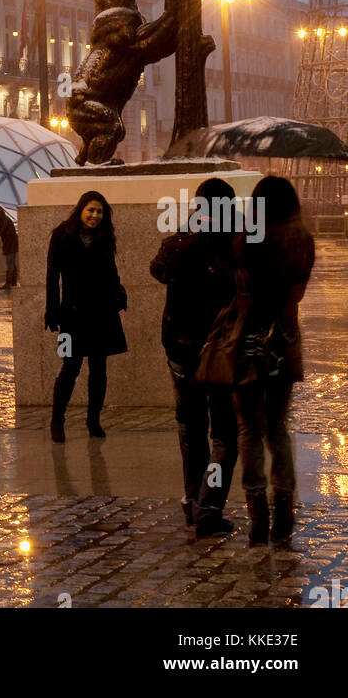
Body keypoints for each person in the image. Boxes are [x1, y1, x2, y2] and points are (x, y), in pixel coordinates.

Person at [150, 177, 239, 537]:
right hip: (217, 353)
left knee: (190, 428)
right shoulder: (235, 244)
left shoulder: (178, 242)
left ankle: (193, 501)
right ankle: (209, 505)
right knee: (224, 435)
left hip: (180, 347)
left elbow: (157, 270)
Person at [233, 176, 315, 546]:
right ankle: (283, 512)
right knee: (278, 428)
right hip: (283, 341)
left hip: (249, 342)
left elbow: (238, 286)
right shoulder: (302, 240)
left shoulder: (248, 237)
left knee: (249, 429)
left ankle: (257, 516)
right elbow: (296, 293)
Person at [45, 190, 127, 441]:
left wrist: (119, 294)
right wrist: (52, 309)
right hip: (72, 313)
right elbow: (52, 275)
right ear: (81, 209)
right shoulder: (62, 235)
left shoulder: (104, 237)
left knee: (99, 369)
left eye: (99, 212)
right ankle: (57, 420)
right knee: (70, 367)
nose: (94, 215)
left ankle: (93, 419)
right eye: (91, 210)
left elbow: (111, 271)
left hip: (102, 312)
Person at [0, 207, 19, 290]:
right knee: (11, 263)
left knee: (10, 263)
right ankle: (13, 282)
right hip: (10, 243)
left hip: (10, 244)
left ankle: (9, 283)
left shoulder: (5, 221)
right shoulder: (5, 219)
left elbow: (0, 232)